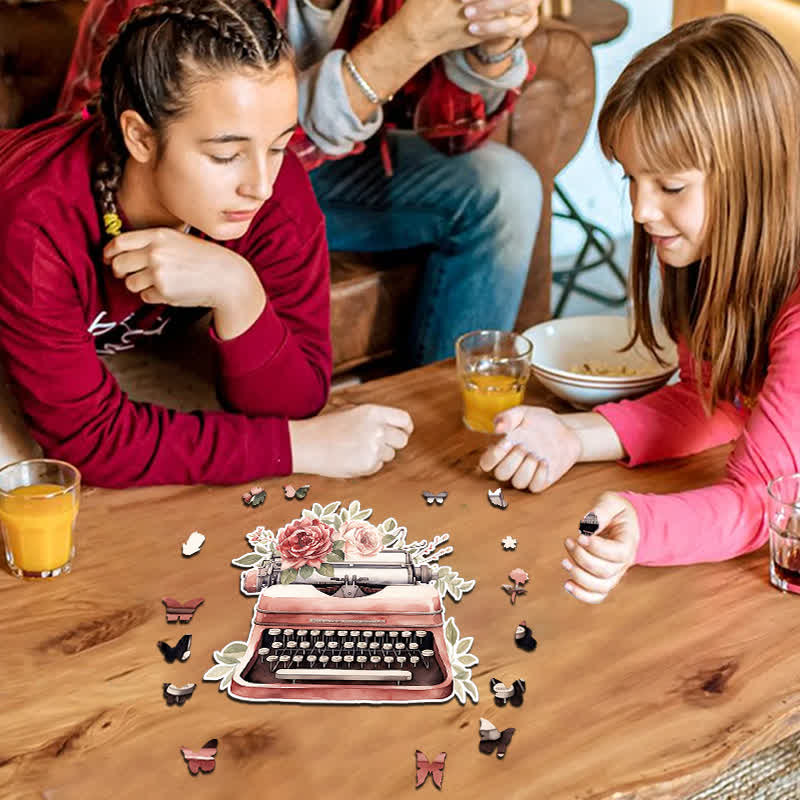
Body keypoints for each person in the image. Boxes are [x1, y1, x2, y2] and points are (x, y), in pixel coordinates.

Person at [0, 0, 413, 488]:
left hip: (87, 340)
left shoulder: (274, 189)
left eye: (278, 146)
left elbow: (298, 399)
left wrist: (238, 290)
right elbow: (92, 443)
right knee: (25, 482)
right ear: (140, 137)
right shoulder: (35, 222)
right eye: (226, 155)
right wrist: (303, 446)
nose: (260, 184)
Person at [479, 14, 800, 603]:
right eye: (632, 178)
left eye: (670, 187)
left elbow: (765, 500)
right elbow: (716, 399)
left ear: (758, 175)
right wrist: (572, 436)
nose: (639, 210)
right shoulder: (715, 258)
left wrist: (643, 526)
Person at [57, 0, 544, 366]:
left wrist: (490, 48)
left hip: (321, 167)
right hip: (172, 186)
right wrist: (403, 44)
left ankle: (449, 414)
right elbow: (127, 153)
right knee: (251, 167)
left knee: (504, 187)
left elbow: (456, 139)